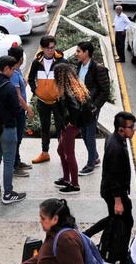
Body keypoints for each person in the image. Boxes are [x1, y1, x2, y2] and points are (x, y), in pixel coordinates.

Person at [84, 111, 136, 264]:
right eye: (131, 127)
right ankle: (120, 254)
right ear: (121, 129)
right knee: (126, 221)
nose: (134, 130)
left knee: (115, 218)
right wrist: (118, 201)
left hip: (111, 190)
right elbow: (114, 177)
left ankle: (88, 234)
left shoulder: (115, 138)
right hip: (113, 191)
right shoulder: (116, 148)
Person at [0, 56, 28, 205]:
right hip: (7, 129)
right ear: (6, 68)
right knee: (8, 162)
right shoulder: (8, 86)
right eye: (13, 69)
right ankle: (8, 194)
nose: (14, 72)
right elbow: (16, 109)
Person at [27, 35, 66, 164]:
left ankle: (63, 153)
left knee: (61, 127)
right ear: (43, 48)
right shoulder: (36, 63)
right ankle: (45, 153)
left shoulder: (62, 62)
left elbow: (68, 80)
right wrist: (36, 91)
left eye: (53, 48)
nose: (51, 50)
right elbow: (31, 79)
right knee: (45, 127)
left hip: (58, 102)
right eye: (48, 48)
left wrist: (61, 93)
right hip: (42, 101)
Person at [53, 63, 91, 194]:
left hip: (70, 127)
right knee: (60, 150)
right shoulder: (73, 87)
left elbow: (74, 109)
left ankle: (74, 185)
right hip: (71, 126)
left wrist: (70, 123)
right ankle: (66, 178)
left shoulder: (67, 92)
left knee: (69, 154)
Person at [75, 41, 111, 175]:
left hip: (91, 107)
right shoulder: (79, 65)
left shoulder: (98, 69)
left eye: (79, 51)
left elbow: (105, 91)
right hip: (81, 106)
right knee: (84, 133)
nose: (76, 54)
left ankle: (90, 164)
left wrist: (95, 107)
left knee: (89, 134)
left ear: (86, 53)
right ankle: (95, 157)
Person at [6, 46, 35, 178]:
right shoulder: (13, 74)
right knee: (16, 140)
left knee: (18, 139)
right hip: (17, 111)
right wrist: (28, 109)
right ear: (21, 59)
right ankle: (14, 166)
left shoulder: (16, 71)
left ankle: (17, 161)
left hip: (19, 110)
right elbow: (18, 96)